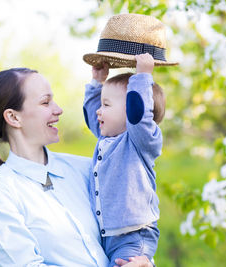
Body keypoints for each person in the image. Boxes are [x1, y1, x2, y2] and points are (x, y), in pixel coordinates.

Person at [0, 67, 154, 267]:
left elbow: (127, 233)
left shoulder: (86, 169)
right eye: (45, 102)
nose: (58, 109)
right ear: (14, 117)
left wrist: (143, 263)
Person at [83, 53, 164, 266]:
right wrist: (98, 81)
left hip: (134, 236)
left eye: (107, 105)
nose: (99, 111)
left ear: (129, 111)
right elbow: (92, 114)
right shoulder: (107, 138)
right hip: (108, 238)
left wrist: (143, 76)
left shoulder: (140, 140)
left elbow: (139, 116)